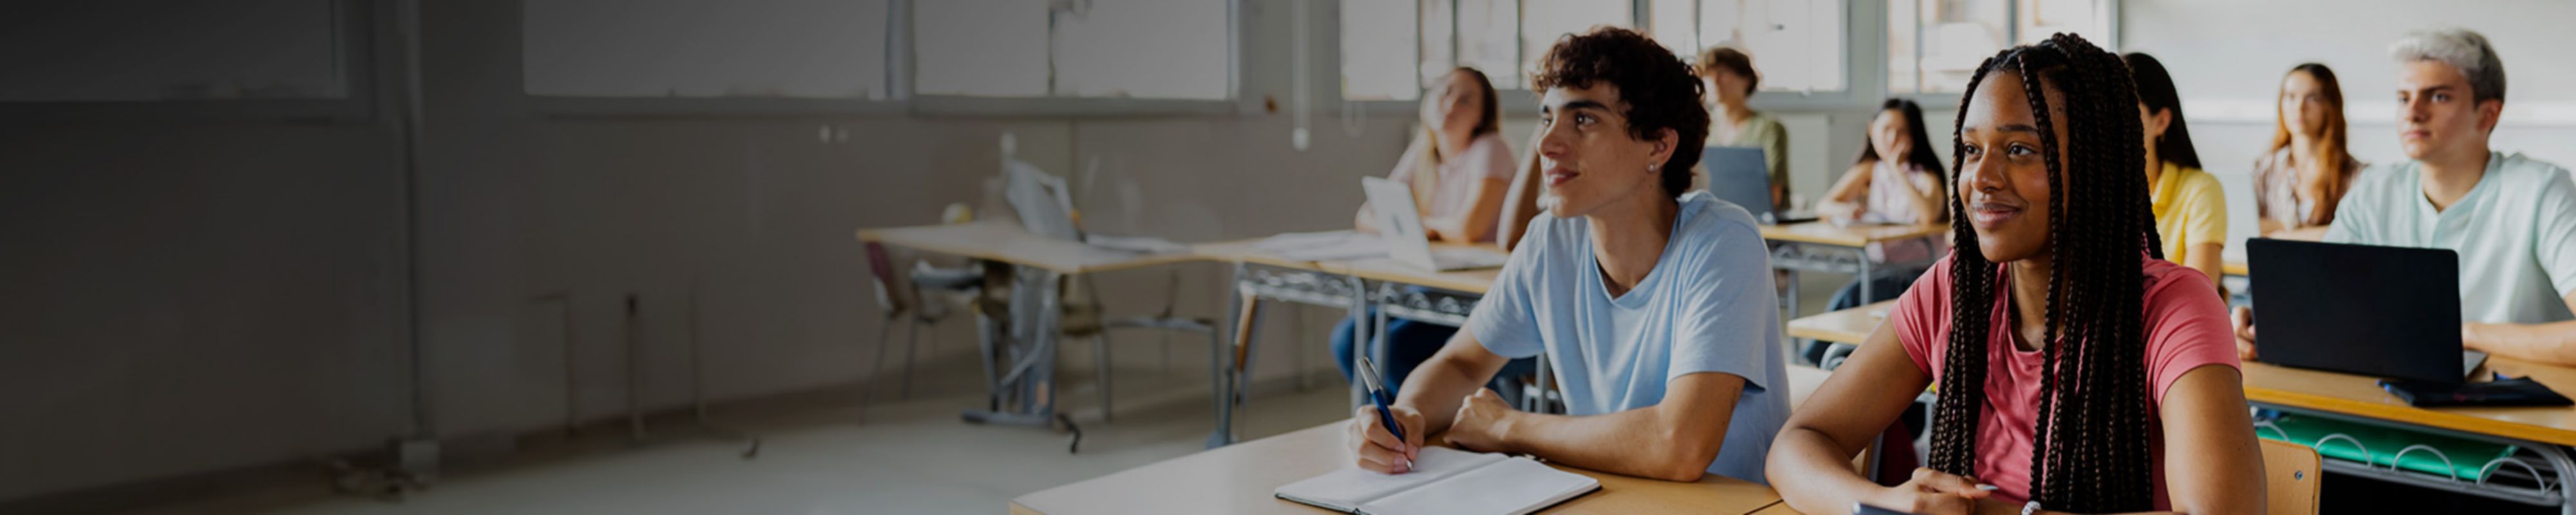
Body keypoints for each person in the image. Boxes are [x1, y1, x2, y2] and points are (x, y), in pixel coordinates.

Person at [1767, 34, 2264, 514]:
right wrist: (1890, 502)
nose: (1981, 179)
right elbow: (1797, 445)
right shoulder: (1952, 291)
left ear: (2097, 166)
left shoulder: (2173, 308)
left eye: (2020, 150)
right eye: (1971, 150)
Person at [1347, 26, 1788, 483]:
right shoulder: (1552, 239)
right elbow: (1462, 363)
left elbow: (1679, 445)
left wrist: (1509, 426)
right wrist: (1406, 415)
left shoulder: (1723, 240)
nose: (1546, 144)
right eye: (1546, 118)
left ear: (1659, 146)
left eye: (1584, 120)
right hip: (1613, 493)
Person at [2237, 28, 2576, 365]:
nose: (2413, 113)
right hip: (2391, 400)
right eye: (2403, 98)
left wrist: (2467, 334)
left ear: (2488, 115)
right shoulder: (2374, 189)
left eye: (2438, 97)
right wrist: (2259, 321)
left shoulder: (2542, 190)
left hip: (2516, 410)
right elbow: (2321, 300)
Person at [1331, 68, 1526, 392]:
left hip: (1479, 295)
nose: (1450, 105)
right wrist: (1421, 228)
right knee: (1347, 340)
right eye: (1444, 93)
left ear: (1482, 115)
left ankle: (1417, 425)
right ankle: (1389, 426)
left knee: (1391, 350)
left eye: (1465, 100)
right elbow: (1366, 215)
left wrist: (1420, 226)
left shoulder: (1491, 148)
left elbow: (1468, 228)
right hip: (1432, 288)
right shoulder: (1423, 151)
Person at [1816, 98, 1950, 309]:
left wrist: (1897, 169)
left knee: (1844, 302)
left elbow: (1929, 216)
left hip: (1916, 274)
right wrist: (1845, 209)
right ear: (1872, 130)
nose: (1892, 139)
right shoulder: (1870, 170)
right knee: (1845, 303)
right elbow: (1824, 205)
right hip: (1878, 269)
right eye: (1886, 129)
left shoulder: (1925, 175)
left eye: (1902, 132)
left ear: (1915, 136)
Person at [2126, 52, 2228, 288]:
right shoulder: (2093, 194)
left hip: (2174, 324)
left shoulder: (2200, 190)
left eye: (2126, 114)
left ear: (2161, 122)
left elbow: (2197, 296)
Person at [2254, 64, 2364, 241]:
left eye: (2312, 98)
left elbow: (2355, 233)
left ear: (2331, 105)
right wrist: (2299, 230)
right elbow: (2249, 227)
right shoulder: (2265, 169)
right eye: (2290, 97)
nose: (2299, 108)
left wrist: (2281, 234)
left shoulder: (2357, 176)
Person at [1697, 46, 1792, 211]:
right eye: (1708, 75)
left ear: (1746, 79)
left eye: (1723, 73)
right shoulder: (1702, 128)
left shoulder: (1769, 128)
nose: (1715, 81)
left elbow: (1773, 195)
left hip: (1758, 220)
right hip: (1713, 216)